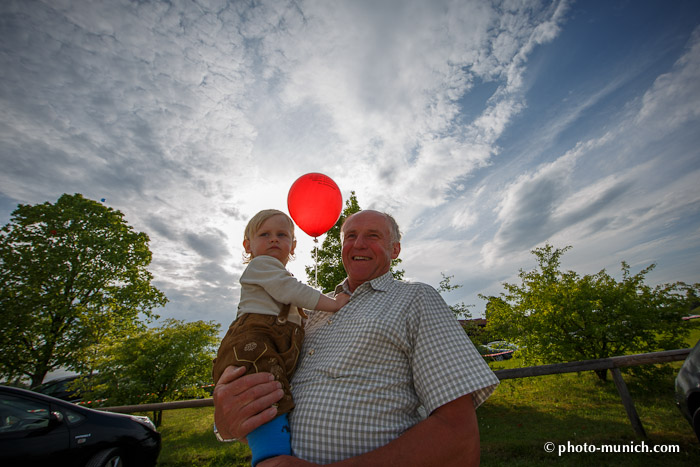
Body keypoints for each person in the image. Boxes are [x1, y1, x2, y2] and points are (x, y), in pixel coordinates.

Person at [213, 210, 499, 466]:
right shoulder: (310, 314)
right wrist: (225, 424)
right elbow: (265, 391)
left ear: (395, 249)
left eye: (373, 235)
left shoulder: (416, 298)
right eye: (350, 236)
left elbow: (459, 441)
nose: (359, 244)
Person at [212, 209, 349, 466]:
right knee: (263, 390)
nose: (274, 239)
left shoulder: (279, 274)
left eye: (282, 235)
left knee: (274, 388)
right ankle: (270, 456)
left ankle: (278, 445)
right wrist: (333, 304)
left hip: (276, 340)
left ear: (293, 246)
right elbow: (290, 291)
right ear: (248, 245)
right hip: (256, 337)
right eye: (265, 234)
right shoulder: (262, 265)